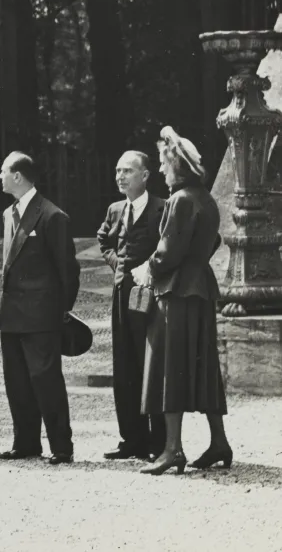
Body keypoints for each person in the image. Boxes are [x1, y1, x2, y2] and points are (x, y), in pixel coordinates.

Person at [131, 127, 232, 476]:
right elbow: (213, 240)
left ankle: (173, 449)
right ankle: (219, 442)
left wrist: (148, 267)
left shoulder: (180, 200)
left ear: (177, 165)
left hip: (176, 293)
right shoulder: (206, 199)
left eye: (163, 162)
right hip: (200, 290)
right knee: (204, 368)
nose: (161, 169)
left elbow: (168, 251)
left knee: (168, 365)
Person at [0, 151, 80, 465]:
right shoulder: (8, 213)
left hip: (41, 315)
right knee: (16, 381)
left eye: (3, 171)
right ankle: (26, 442)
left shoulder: (52, 215)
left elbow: (68, 271)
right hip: (11, 313)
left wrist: (61, 312)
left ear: (17, 176)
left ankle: (61, 446)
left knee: (46, 381)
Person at [97, 151, 166, 461]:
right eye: (117, 171)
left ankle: (159, 442)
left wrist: (151, 270)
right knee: (124, 366)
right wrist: (118, 265)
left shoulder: (162, 208)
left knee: (151, 365)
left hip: (151, 298)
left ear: (145, 175)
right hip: (122, 297)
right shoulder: (115, 209)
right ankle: (131, 440)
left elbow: (170, 247)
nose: (120, 176)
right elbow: (103, 240)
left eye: (127, 171)